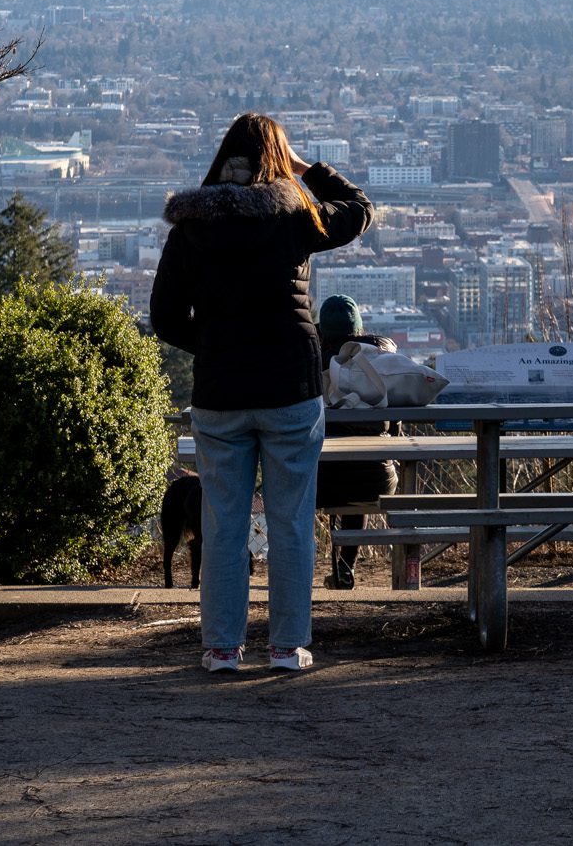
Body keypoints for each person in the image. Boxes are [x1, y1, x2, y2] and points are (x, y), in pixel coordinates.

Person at [151, 113, 373, 673]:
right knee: (292, 521)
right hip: (288, 389)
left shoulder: (190, 229)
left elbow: (164, 316)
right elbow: (359, 212)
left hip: (221, 392)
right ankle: (286, 646)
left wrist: (213, 344)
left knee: (223, 524)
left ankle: (222, 647)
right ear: (276, 161)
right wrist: (307, 169)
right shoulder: (294, 218)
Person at [315, 295, 400, 590]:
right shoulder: (381, 363)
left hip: (321, 482)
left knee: (305, 484)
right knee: (361, 468)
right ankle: (345, 567)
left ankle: (295, 568)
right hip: (378, 479)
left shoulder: (314, 362)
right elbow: (396, 428)